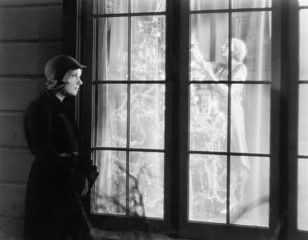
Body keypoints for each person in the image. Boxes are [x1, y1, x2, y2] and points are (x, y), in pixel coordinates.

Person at [23, 55, 99, 240]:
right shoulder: (39, 109)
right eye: (74, 76)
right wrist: (76, 180)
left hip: (66, 185)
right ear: (58, 78)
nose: (80, 82)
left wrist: (87, 174)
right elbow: (45, 154)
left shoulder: (62, 108)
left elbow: (76, 148)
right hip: (49, 188)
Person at [191, 38, 250, 214]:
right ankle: (220, 197)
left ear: (235, 50)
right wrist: (193, 44)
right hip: (217, 115)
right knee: (218, 155)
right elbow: (201, 62)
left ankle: (233, 200)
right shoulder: (220, 67)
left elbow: (230, 92)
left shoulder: (241, 69)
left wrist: (211, 76)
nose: (222, 46)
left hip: (232, 115)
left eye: (226, 45)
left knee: (233, 155)